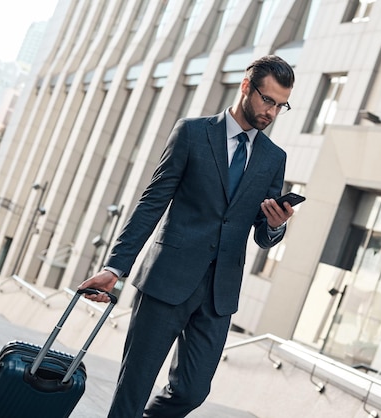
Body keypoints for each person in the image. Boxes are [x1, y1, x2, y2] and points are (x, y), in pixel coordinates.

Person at [79, 55, 296, 417]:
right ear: (246, 87)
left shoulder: (274, 157)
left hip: (219, 293)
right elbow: (152, 204)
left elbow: (262, 233)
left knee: (192, 391)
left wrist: (276, 224)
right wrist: (115, 268)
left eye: (281, 105)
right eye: (267, 100)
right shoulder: (193, 134)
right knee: (135, 384)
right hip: (168, 278)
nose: (272, 112)